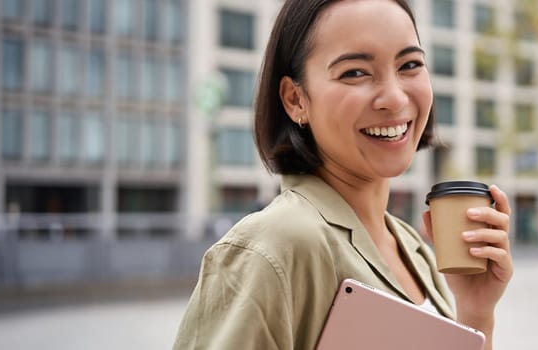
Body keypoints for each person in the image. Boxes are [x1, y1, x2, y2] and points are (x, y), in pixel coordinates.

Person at [173, 1, 513, 349]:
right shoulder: (273, 246)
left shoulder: (415, 251)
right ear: (295, 99)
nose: (394, 99)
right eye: (355, 72)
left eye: (409, 65)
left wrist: (475, 313)